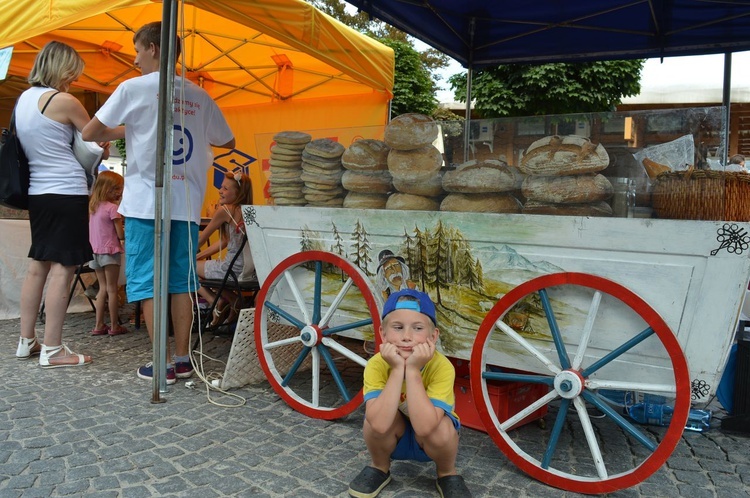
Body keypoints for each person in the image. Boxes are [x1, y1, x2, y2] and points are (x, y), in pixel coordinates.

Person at [82, 21, 235, 384]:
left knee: (148, 282)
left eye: (137, 50)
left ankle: (160, 362)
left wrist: (130, 128)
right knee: (181, 282)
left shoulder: (133, 88)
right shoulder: (198, 94)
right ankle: (182, 360)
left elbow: (89, 132)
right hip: (185, 203)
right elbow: (227, 141)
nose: (135, 59)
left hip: (145, 204)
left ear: (153, 48)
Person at [15, 41, 110, 368]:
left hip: (38, 194)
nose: (73, 81)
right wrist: (134, 129)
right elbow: (96, 133)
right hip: (67, 191)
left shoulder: (23, 101)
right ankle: (53, 349)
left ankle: (27, 340)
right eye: (72, 73)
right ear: (62, 68)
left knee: (38, 264)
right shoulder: (64, 100)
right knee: (63, 268)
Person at [348, 289, 471, 498]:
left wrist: (412, 370)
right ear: (383, 334)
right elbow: (378, 424)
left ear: (433, 336)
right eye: (398, 328)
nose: (406, 337)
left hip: (429, 437)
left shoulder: (442, 367)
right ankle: (379, 466)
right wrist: (397, 370)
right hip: (394, 433)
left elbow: (425, 427)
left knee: (443, 427)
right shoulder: (376, 365)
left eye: (417, 328)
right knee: (371, 419)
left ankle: (447, 472)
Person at [196, 171, 253, 327]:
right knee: (195, 269)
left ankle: (215, 301)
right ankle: (232, 300)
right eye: (221, 187)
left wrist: (186, 253)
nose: (220, 191)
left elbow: (202, 239)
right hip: (248, 269)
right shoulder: (248, 210)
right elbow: (224, 241)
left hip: (232, 269)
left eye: (225, 188)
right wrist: (197, 256)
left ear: (238, 192)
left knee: (182, 268)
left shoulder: (226, 210)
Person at [88, 171, 128, 336]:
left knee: (102, 288)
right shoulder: (113, 208)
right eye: (116, 189)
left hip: (94, 251)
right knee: (112, 289)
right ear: (107, 189)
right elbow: (120, 234)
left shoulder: (93, 207)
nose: (119, 192)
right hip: (110, 251)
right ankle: (114, 326)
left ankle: (98, 325)